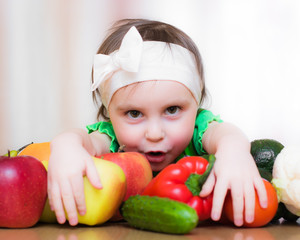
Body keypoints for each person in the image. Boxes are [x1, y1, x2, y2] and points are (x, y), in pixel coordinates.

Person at [48, 19, 268, 227]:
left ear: (196, 105)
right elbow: (82, 141)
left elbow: (227, 134)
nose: (154, 133)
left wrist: (234, 153)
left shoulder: (198, 131)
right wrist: (65, 147)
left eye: (172, 110)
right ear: (109, 113)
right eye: (134, 113)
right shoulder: (112, 138)